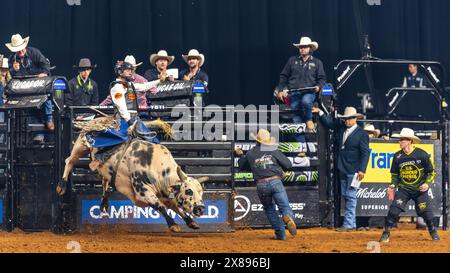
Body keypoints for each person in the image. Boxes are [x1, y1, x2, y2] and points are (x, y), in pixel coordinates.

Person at [313, 106, 370, 231]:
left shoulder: (362, 134)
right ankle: (351, 223)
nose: (347, 121)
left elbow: (366, 153)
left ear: (355, 119)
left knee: (350, 195)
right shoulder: (342, 128)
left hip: (354, 169)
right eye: (346, 119)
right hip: (343, 167)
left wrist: (362, 170)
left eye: (349, 119)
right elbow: (330, 124)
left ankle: (349, 224)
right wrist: (321, 113)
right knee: (346, 195)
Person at [235, 129, 297, 240]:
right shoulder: (272, 150)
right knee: (284, 206)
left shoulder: (250, 153)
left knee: (269, 208)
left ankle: (280, 235)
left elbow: (241, 166)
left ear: (257, 141)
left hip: (261, 184)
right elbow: (288, 164)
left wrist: (241, 155)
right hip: (275, 181)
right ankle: (287, 217)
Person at [379, 128, 439, 242]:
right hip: (404, 189)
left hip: (419, 189)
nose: (399, 142)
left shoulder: (422, 154)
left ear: (409, 141)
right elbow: (395, 175)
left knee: (426, 212)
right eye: (400, 139)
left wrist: (427, 184)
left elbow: (431, 172)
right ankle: (386, 233)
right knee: (393, 210)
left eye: (402, 140)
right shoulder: (397, 156)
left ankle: (433, 231)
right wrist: (392, 185)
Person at [86, 60, 162, 150]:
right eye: (127, 70)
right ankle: (101, 158)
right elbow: (121, 107)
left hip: (134, 119)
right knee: (120, 140)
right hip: (123, 120)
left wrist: (160, 80)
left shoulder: (130, 85)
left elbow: (145, 86)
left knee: (152, 139)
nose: (131, 72)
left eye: (131, 70)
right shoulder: (117, 87)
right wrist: (130, 121)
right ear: (120, 72)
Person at [5, 34, 53, 142]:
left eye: (21, 49)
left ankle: (49, 119)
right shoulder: (12, 59)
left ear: (24, 46)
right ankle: (38, 134)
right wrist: (14, 70)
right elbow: (13, 77)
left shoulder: (34, 52)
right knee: (31, 108)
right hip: (26, 88)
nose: (20, 52)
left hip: (40, 84)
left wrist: (44, 73)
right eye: (17, 50)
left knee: (47, 97)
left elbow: (45, 65)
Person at [275, 37, 326, 132]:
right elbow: (283, 76)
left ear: (310, 48)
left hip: (309, 92)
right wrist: (280, 90)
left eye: (305, 47)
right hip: (294, 93)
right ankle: (302, 143)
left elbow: (322, 78)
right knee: (296, 118)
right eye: (301, 47)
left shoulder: (317, 62)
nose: (302, 49)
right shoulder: (292, 61)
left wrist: (319, 86)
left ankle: (308, 119)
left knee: (306, 101)